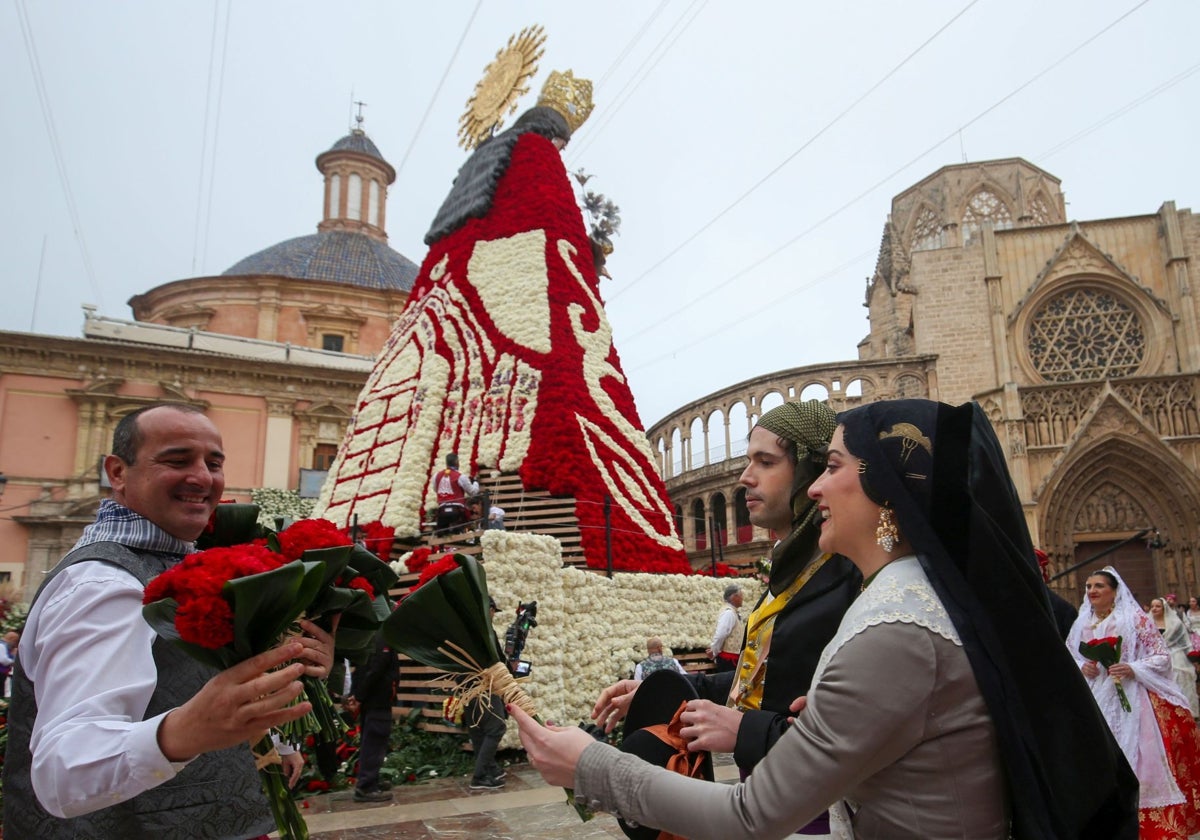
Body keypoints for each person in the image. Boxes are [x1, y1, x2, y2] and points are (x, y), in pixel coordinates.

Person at [516, 398, 1138, 839]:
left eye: (833, 468)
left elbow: (750, 816)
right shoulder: (909, 602)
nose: (815, 490)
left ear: (888, 493)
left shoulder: (895, 629)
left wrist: (587, 766)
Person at [3, 403, 332, 837]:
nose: (202, 477)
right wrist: (182, 732)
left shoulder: (175, 565)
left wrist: (295, 669)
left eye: (213, 463)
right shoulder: (102, 585)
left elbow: (201, 688)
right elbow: (63, 771)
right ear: (118, 472)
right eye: (177, 460)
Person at [592, 400, 861, 835]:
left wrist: (745, 729)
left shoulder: (849, 575)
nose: (745, 477)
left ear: (810, 473)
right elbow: (756, 684)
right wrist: (660, 688)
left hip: (820, 810)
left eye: (766, 462)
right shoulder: (789, 574)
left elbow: (846, 725)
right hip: (766, 796)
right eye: (747, 460)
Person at [1069, 569, 1200, 835]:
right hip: (1094, 695)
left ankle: (1144, 824)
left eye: (1099, 586)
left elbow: (1161, 656)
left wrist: (1132, 668)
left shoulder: (1133, 620)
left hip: (1132, 697)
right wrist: (1083, 666)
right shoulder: (1081, 622)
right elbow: (1070, 656)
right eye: (1088, 586)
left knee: (1140, 760)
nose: (1091, 591)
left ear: (1114, 592)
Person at [347, 633, 400, 802]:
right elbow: (375, 669)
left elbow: (363, 669)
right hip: (377, 700)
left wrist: (356, 695)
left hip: (373, 701)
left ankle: (371, 780)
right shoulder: (381, 640)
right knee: (375, 740)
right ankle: (366, 786)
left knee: (371, 740)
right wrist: (359, 696)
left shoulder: (371, 639)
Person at [467, 596, 508, 791]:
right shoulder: (485, 632)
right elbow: (496, 660)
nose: (493, 615)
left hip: (468, 689)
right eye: (493, 611)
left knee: (479, 731)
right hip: (485, 687)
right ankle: (480, 776)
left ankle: (491, 769)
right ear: (489, 609)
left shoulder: (465, 631)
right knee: (496, 727)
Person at [1150, 596, 1200, 717]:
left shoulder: (1175, 623)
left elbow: (1185, 642)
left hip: (1176, 657)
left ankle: (1185, 712)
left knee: (1181, 683)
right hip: (1155, 657)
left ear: (1164, 608)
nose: (1154, 609)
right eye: (1152, 606)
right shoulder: (1147, 624)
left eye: (1157, 606)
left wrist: (1194, 659)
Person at [434, 453, 479, 535]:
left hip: (442, 511)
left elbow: (436, 490)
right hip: (457, 511)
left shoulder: (436, 476)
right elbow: (473, 492)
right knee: (462, 530)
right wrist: (476, 482)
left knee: (442, 535)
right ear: (457, 462)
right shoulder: (460, 476)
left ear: (446, 463)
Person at [705, 584, 744, 673]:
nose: (742, 598)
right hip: (728, 659)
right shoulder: (729, 613)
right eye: (741, 595)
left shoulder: (732, 612)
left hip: (732, 658)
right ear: (734, 597)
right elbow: (721, 634)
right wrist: (714, 651)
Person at [0, 630, 18, 697]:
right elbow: (3, 660)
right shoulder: (1, 646)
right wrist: (13, 662)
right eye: (15, 641)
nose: (15, 643)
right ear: (11, 639)